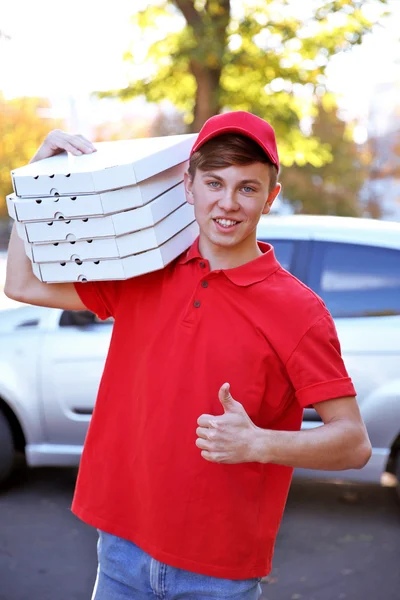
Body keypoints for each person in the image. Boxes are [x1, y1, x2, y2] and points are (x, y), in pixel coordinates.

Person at [5, 111, 372, 600]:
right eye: (215, 183)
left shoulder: (299, 311)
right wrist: (36, 185)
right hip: (121, 552)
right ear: (188, 185)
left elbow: (353, 443)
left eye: (247, 187)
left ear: (271, 197)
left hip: (218, 573)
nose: (228, 203)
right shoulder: (143, 270)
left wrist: (259, 443)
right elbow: (22, 284)